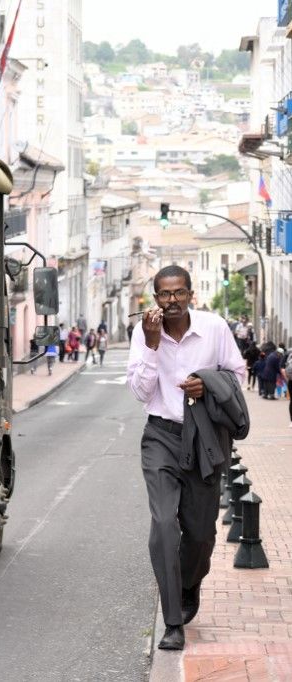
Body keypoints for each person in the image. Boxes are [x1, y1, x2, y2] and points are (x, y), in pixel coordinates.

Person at [126, 265, 246, 651]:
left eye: (179, 293)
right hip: (160, 435)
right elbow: (142, 394)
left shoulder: (214, 328)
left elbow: (237, 376)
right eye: (164, 294)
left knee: (200, 535)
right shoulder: (144, 333)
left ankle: (190, 582)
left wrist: (206, 385)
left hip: (204, 441)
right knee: (163, 524)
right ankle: (172, 622)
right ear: (155, 298)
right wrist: (150, 344)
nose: (171, 300)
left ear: (191, 294)